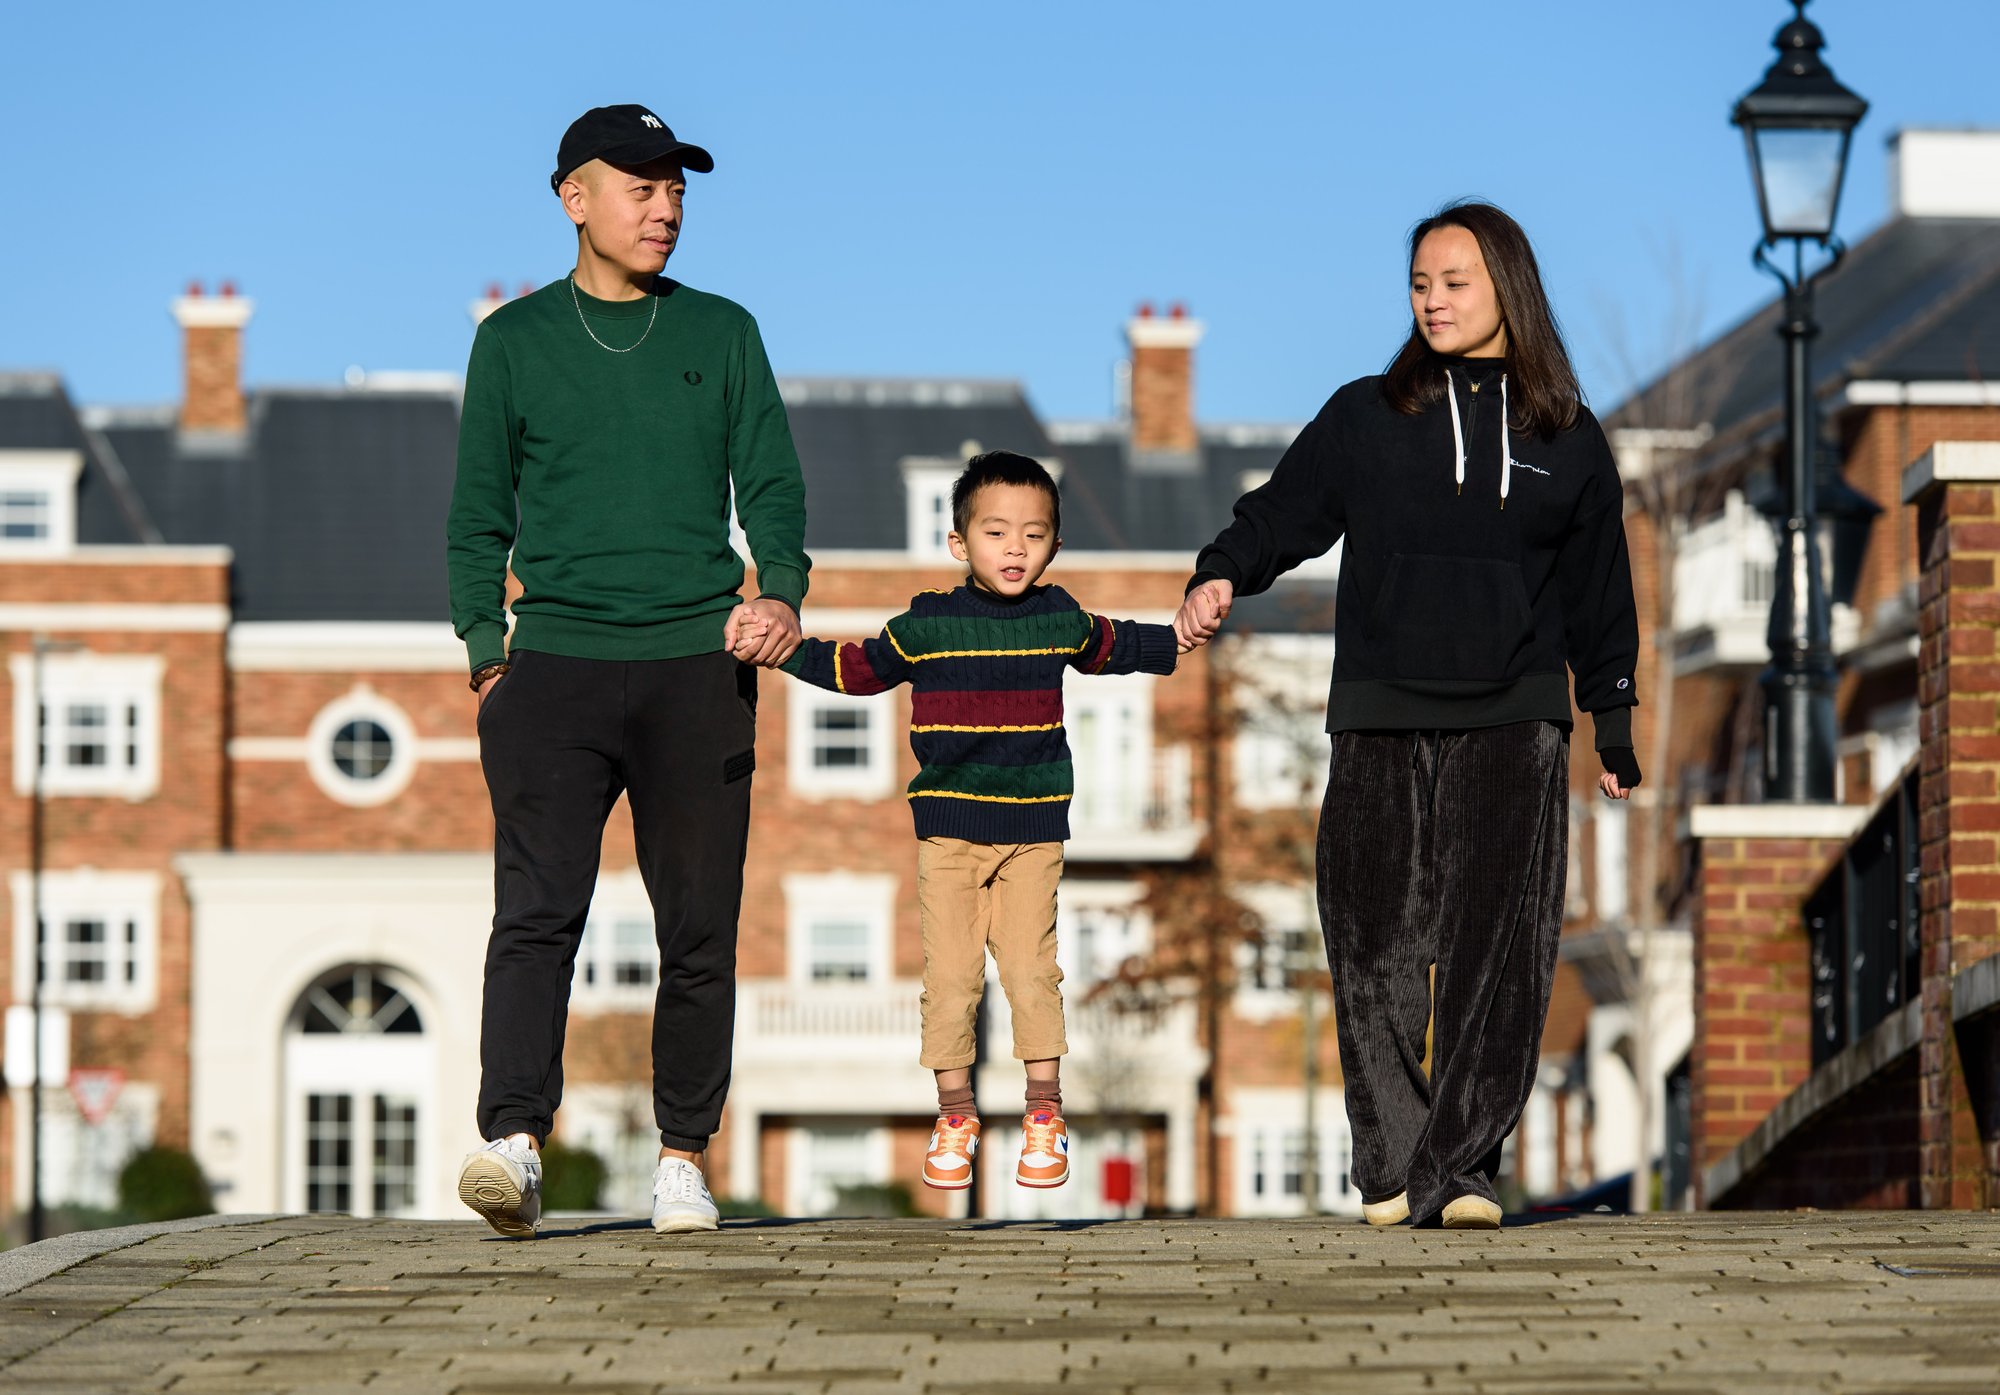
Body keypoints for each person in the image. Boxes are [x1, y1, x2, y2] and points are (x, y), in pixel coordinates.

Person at [1174, 201, 1640, 1230]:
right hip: (1378, 712)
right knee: (1374, 938)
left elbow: (1600, 590)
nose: (1431, 300)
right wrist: (1220, 573)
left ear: (1505, 287)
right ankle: (1388, 1164)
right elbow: (1281, 510)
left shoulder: (1564, 434)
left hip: (1514, 718)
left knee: (1494, 950)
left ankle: (1463, 1171)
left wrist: (1610, 720)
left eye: (1453, 282)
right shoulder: (1365, 416)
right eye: (1419, 284)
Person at [446, 104, 809, 1238]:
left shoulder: (724, 330)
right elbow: (474, 516)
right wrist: (485, 661)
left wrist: (780, 590)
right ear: (575, 199)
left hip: (693, 666)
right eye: (642, 189)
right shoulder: (512, 341)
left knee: (697, 925)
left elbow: (774, 488)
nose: (665, 209)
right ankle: (513, 1141)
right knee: (537, 914)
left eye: (677, 192)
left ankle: (682, 1159)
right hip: (549, 665)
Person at [740, 451, 1177, 1194]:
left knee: (1033, 968)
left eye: (1034, 535)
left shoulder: (1059, 618)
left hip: (1034, 828)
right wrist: (783, 651)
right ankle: (955, 1114)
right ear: (959, 543)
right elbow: (859, 668)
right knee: (950, 975)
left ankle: (1044, 1113)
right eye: (997, 532)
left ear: (1055, 548)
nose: (1016, 548)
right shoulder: (928, 623)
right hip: (949, 832)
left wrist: (1183, 631)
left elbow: (1124, 644)